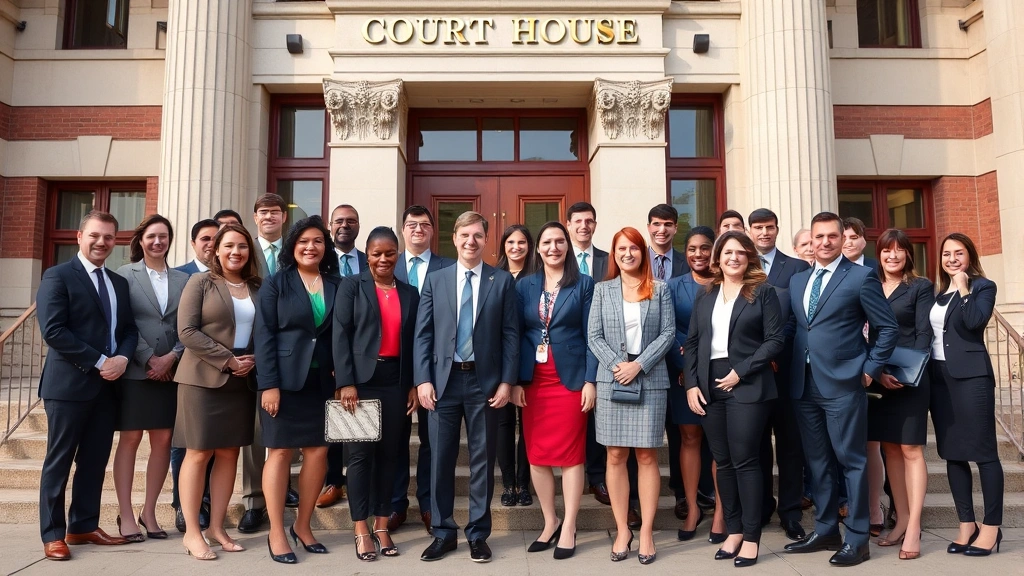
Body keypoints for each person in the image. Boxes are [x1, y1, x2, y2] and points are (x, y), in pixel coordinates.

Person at [783, 212, 898, 567]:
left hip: (845, 383)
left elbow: (887, 328)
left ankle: (859, 539)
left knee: (852, 461)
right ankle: (826, 529)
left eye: (833, 236)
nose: (825, 242)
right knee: (817, 462)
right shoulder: (798, 281)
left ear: (842, 239)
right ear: (811, 241)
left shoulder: (861, 276)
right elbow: (795, 329)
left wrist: (869, 369)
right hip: (804, 384)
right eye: (819, 237)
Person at [414, 211, 519, 563]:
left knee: (482, 461)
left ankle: (478, 534)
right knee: (441, 460)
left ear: (485, 240)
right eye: (464, 235)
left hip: (484, 383)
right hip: (442, 384)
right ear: (454, 238)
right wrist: (423, 379)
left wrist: (507, 381)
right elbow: (423, 334)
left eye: (477, 235)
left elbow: (510, 335)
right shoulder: (436, 280)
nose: (470, 241)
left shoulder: (501, 281)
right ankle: (443, 533)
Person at [37, 211, 138, 561]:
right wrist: (100, 362)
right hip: (68, 386)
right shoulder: (58, 275)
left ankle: (82, 525)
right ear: (80, 236)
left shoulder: (118, 282)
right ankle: (53, 533)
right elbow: (53, 330)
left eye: (109, 237)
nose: (102, 242)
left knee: (94, 461)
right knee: (59, 461)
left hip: (108, 388)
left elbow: (128, 331)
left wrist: (123, 359)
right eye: (95, 235)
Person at [684, 231, 784, 567]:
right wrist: (692, 385)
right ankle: (735, 529)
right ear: (718, 257)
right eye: (727, 252)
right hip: (709, 384)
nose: (733, 258)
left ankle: (752, 536)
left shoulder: (763, 292)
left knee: (745, 460)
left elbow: (775, 341)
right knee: (723, 461)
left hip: (748, 383)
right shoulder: (706, 294)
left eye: (741, 252)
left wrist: (741, 371)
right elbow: (693, 343)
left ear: (749, 258)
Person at [254, 216, 341, 564]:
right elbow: (264, 336)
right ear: (292, 245)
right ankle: (277, 531)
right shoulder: (276, 283)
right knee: (279, 453)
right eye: (304, 241)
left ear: (326, 247)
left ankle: (303, 526)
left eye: (318, 241)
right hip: (285, 383)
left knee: (318, 453)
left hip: (323, 384)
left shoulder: (338, 283)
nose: (311, 247)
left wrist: (344, 379)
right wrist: (269, 385)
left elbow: (343, 334)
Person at [588, 227, 675, 565]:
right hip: (611, 382)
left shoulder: (660, 289)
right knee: (614, 455)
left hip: (650, 380)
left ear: (643, 252)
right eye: (621, 248)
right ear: (614, 254)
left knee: (647, 457)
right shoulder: (602, 290)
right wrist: (617, 365)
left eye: (634, 248)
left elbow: (668, 333)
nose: (628, 254)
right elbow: (593, 335)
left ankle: (648, 532)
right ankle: (623, 528)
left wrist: (638, 365)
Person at [511, 222, 597, 559]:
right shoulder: (525, 286)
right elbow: (515, 335)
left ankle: (570, 525)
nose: (553, 247)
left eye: (560, 241)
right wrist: (516, 380)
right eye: (547, 241)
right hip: (534, 382)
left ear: (568, 246)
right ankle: (550, 521)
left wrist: (591, 380)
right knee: (537, 454)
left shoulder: (583, 284)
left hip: (570, 380)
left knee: (572, 455)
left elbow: (592, 335)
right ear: (538, 247)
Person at [175, 223, 261, 560]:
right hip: (202, 380)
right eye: (228, 246)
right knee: (199, 453)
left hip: (242, 382)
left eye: (241, 246)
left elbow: (264, 330)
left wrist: (253, 358)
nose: (235, 252)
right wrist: (227, 360)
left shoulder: (257, 286)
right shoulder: (200, 282)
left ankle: (216, 526)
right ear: (216, 250)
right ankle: (193, 533)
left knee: (229, 454)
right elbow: (186, 331)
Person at [335, 226, 421, 562]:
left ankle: (382, 525)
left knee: (390, 455)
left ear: (397, 255)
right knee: (359, 458)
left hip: (396, 381)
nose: (383, 259)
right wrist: (346, 382)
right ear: (366, 254)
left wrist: (413, 383)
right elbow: (340, 335)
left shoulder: (409, 292)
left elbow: (414, 342)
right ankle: (360, 528)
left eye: (389, 253)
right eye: (376, 253)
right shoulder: (351, 287)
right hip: (361, 383)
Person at [112, 215, 188, 542]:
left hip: (170, 373)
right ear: (140, 240)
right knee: (129, 440)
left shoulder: (184, 279)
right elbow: (121, 321)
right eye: (152, 236)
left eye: (164, 236)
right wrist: (148, 358)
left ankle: (149, 511)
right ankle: (126, 514)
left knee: (162, 442)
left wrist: (172, 357)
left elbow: (189, 326)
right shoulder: (124, 275)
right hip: (134, 372)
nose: (158, 242)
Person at [930, 233, 1004, 557]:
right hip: (938, 379)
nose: (952, 259)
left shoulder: (982, 287)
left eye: (958, 253)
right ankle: (966, 525)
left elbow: (975, 321)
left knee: (984, 453)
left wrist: (963, 287)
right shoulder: (934, 292)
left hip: (971, 378)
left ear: (969, 256)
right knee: (953, 453)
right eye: (946, 254)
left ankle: (991, 528)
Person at [866, 229, 933, 559]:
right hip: (880, 378)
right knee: (890, 448)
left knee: (910, 448)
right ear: (878, 254)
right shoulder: (870, 285)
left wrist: (905, 374)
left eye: (899, 250)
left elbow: (923, 334)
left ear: (908, 254)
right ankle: (901, 519)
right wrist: (878, 371)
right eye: (886, 250)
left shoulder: (920, 287)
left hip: (911, 379)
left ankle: (915, 527)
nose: (892, 255)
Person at [389, 205, 455, 532]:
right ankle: (396, 503)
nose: (418, 229)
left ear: (432, 231)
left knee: (432, 440)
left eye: (425, 225)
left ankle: (428, 503)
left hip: (436, 371)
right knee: (397, 439)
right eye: (412, 224)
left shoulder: (450, 267)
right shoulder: (388, 266)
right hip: (394, 371)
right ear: (403, 230)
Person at [747, 208, 811, 541]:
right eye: (757, 228)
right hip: (752, 374)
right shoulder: (740, 266)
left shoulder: (798, 267)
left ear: (777, 229)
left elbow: (801, 316)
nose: (764, 233)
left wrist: (773, 347)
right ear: (749, 230)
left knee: (789, 446)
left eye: (769, 227)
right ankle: (759, 510)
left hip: (786, 369)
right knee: (756, 446)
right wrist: (757, 356)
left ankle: (790, 513)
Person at [665, 226, 724, 542]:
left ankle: (721, 512)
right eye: (691, 249)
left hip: (720, 372)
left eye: (704, 248)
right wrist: (685, 365)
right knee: (689, 437)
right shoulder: (673, 287)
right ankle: (691, 508)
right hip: (684, 375)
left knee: (719, 443)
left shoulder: (727, 282)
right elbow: (667, 329)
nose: (698, 254)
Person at [238, 193, 289, 534]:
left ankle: (286, 487)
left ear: (284, 217)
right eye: (262, 212)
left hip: (296, 354)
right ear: (255, 218)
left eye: (274, 212)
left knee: (292, 431)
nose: (268, 216)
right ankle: (254, 501)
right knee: (256, 434)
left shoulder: (297, 249)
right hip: (252, 355)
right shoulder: (244, 251)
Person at [170, 218, 220, 533]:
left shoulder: (233, 277)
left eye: (217, 238)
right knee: (186, 444)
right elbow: (177, 325)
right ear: (193, 243)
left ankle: (209, 503)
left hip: (224, 373)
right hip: (186, 369)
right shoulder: (180, 277)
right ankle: (183, 505)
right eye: (205, 238)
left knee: (213, 443)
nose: (211, 244)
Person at [641, 203, 689, 528]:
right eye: (656, 224)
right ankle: (637, 498)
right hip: (641, 363)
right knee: (640, 435)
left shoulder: (689, 261)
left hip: (680, 361)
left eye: (668, 224)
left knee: (680, 430)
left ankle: (683, 493)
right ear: (648, 226)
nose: (662, 230)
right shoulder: (633, 258)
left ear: (675, 228)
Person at [565, 201, 610, 505]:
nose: (584, 226)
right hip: (567, 351)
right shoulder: (555, 257)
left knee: (595, 418)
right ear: (568, 224)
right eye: (578, 221)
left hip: (603, 349)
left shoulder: (609, 262)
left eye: (589, 221)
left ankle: (596, 477)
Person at [841, 216, 883, 530]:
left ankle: (874, 510)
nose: (848, 242)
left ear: (863, 240)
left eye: (854, 236)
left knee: (872, 444)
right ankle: (848, 504)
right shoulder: (829, 272)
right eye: (844, 236)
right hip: (841, 371)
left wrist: (873, 368)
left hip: (870, 369)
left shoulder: (875, 270)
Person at [495, 224, 537, 507]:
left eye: (522, 242)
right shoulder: (493, 277)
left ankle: (524, 483)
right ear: (503, 246)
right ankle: (508, 483)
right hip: (497, 363)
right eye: (511, 242)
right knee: (502, 424)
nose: (516, 247)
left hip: (530, 361)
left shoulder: (537, 278)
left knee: (528, 426)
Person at [330, 203, 368, 276]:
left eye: (351, 221)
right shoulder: (322, 262)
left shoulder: (369, 262)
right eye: (339, 221)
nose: (344, 225)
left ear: (358, 226)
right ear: (330, 226)